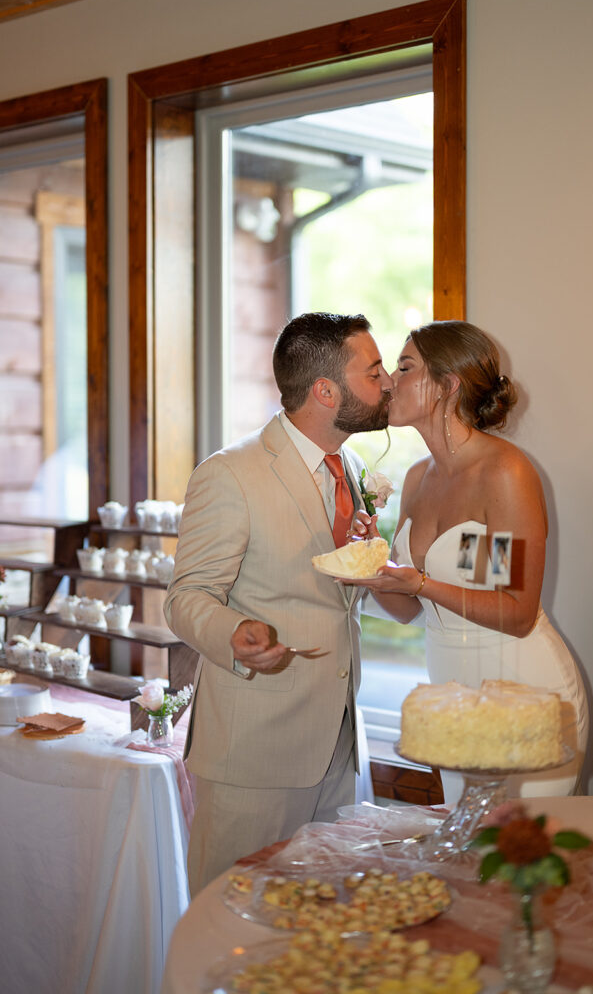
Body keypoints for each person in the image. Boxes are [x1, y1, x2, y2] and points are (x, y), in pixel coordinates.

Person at [164, 312, 393, 895]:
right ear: (325, 391)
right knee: (233, 932)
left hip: (339, 744)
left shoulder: (356, 470)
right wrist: (236, 631)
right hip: (254, 754)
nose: (388, 381)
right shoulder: (230, 474)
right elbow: (186, 597)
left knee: (316, 934)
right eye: (373, 372)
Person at [352, 320, 588, 803]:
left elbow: (514, 611)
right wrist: (373, 567)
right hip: (453, 695)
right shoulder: (419, 478)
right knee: (469, 853)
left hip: (525, 688)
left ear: (447, 384)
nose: (390, 381)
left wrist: (419, 583)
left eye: (405, 366)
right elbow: (413, 611)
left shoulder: (503, 472)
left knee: (521, 859)